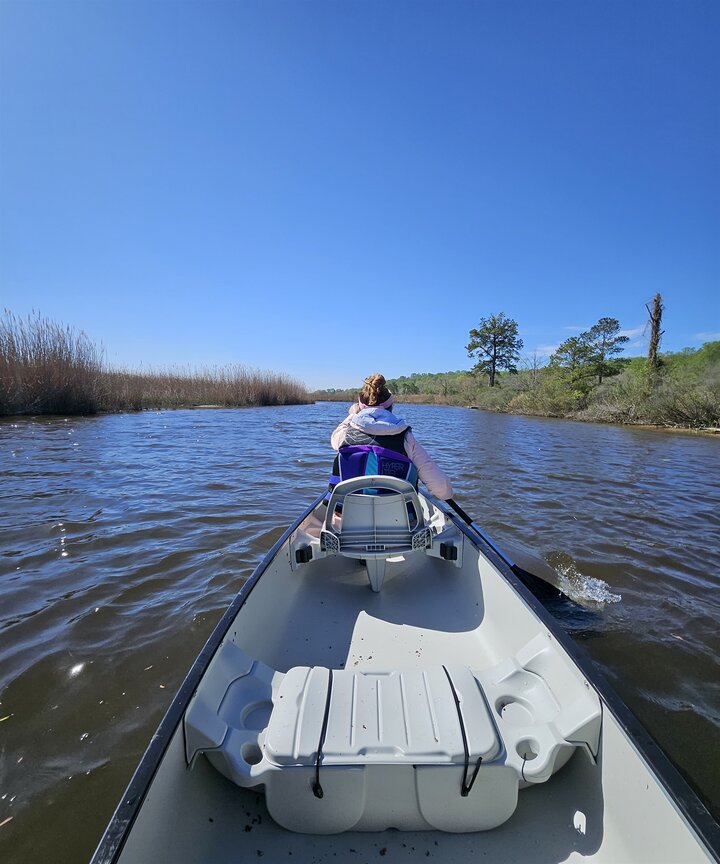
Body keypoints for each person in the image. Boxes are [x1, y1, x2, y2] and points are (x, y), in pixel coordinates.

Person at [329, 373, 453, 500]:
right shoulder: (407, 439)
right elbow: (443, 492)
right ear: (391, 407)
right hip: (399, 518)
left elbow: (334, 439)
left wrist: (354, 415)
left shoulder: (343, 436)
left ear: (360, 408)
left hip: (348, 517)